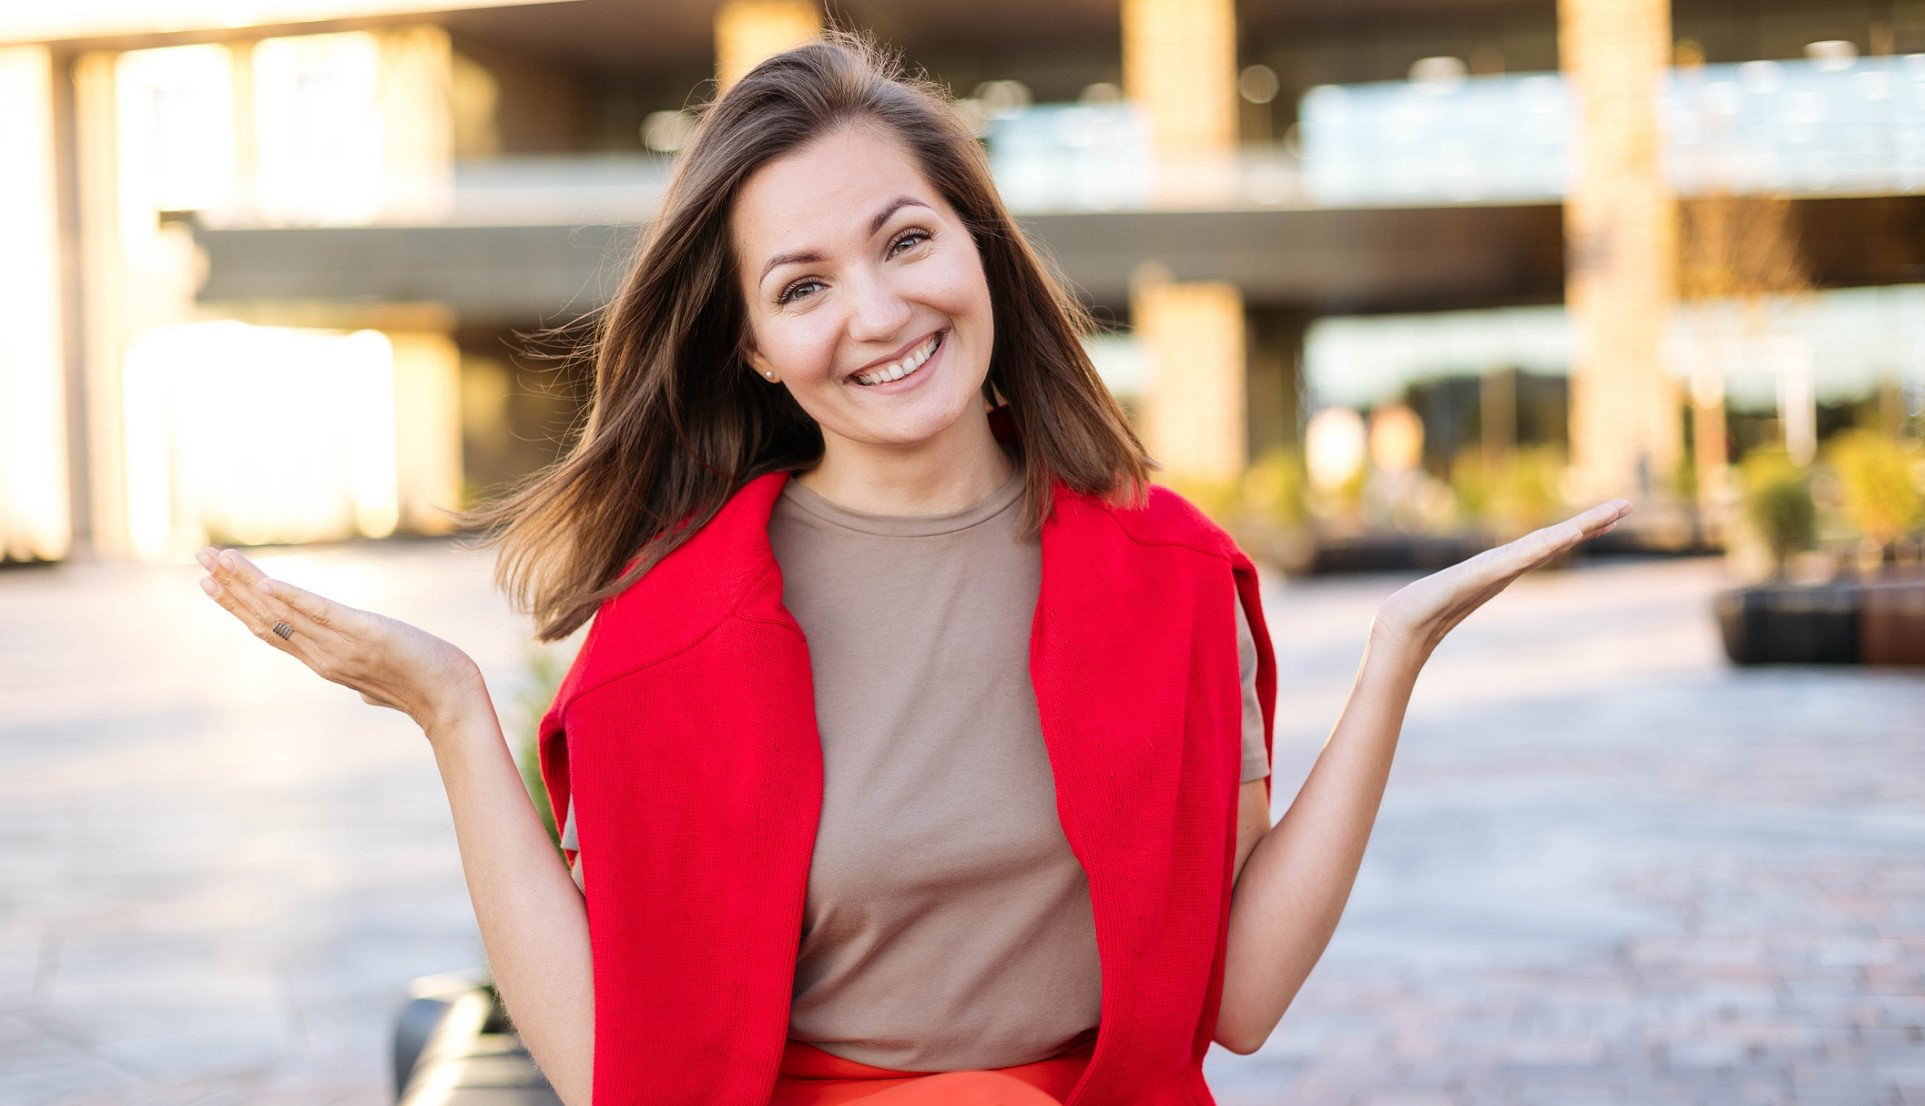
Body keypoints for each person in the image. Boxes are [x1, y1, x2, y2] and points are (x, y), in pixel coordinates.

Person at [189, 26, 1632, 1106]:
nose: (876, 313)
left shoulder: (1175, 578)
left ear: (979, 247)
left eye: (905, 241)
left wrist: (1393, 659)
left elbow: (1237, 1002)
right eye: (803, 286)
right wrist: (450, 710)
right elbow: (615, 1067)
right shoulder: (670, 634)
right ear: (755, 348)